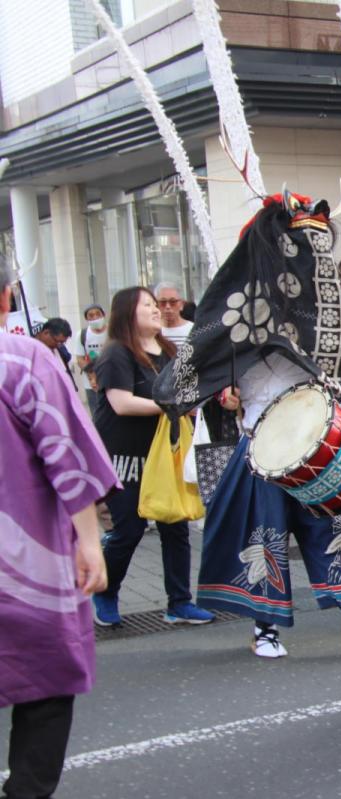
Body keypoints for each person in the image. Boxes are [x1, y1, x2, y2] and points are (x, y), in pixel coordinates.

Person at [157, 196, 341, 659]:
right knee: (263, 535)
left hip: (318, 438)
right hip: (260, 442)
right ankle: (264, 629)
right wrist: (222, 390)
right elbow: (206, 361)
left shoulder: (324, 309)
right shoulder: (243, 311)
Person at [0, 259, 120, 799]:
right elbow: (66, 453)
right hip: (28, 557)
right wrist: (90, 540)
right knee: (45, 677)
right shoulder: (22, 360)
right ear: (6, 297)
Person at [90, 287, 213, 626]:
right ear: (127, 312)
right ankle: (106, 591)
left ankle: (179, 602)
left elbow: (186, 392)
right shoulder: (116, 353)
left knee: (175, 527)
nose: (157, 309)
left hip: (165, 456)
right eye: (148, 305)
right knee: (128, 530)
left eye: (155, 304)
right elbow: (121, 403)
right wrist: (170, 406)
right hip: (125, 458)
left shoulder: (169, 350)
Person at [73, 303, 108, 414]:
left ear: (104, 315)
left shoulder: (113, 332)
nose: (95, 317)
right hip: (91, 384)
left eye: (98, 314)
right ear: (86, 319)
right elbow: (80, 358)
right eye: (91, 315)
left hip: (113, 380)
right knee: (97, 414)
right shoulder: (82, 335)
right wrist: (92, 376)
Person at [155, 282, 193, 348]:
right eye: (163, 302)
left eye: (173, 302)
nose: (168, 306)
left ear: (181, 304)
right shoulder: (152, 330)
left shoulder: (193, 330)